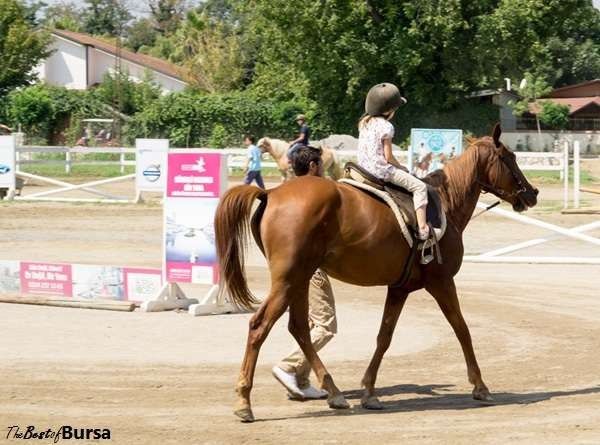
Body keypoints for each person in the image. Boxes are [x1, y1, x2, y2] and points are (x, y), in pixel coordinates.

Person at [271, 145, 337, 401]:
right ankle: (288, 366)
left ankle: (300, 378)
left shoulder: (289, 194)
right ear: (312, 167)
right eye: (321, 164)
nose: (323, 169)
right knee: (325, 325)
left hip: (291, 266)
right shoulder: (317, 199)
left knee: (309, 323)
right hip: (314, 267)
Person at [357, 83, 429, 240]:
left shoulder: (364, 123)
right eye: (395, 108)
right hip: (380, 170)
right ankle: (423, 229)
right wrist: (401, 167)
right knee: (420, 187)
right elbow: (388, 157)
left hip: (362, 169)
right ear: (389, 110)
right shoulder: (386, 126)